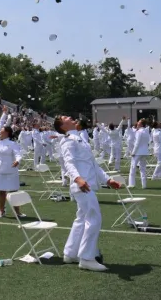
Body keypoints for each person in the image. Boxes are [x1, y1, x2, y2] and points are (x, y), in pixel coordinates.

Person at [55, 115, 120, 272]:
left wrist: (107, 180)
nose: (70, 117)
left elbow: (93, 163)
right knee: (94, 218)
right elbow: (68, 163)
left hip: (87, 184)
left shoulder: (79, 138)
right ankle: (87, 257)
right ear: (63, 126)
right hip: (82, 185)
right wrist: (78, 179)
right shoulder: (68, 140)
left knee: (82, 218)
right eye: (65, 118)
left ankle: (70, 253)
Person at [0, 124, 24, 218]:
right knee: (1, 192)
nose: (0, 132)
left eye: (2, 131)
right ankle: (1, 211)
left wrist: (17, 161)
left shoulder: (12, 144)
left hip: (11, 170)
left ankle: (18, 212)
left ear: (7, 133)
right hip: (0, 170)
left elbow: (18, 154)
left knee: (14, 191)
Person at [128, 119, 150, 189]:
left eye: (139, 122)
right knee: (143, 169)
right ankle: (144, 185)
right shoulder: (146, 132)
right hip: (144, 152)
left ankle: (131, 184)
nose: (137, 123)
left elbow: (137, 143)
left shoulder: (139, 132)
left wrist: (133, 152)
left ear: (141, 124)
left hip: (138, 152)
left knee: (133, 168)